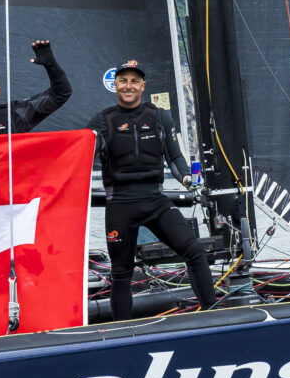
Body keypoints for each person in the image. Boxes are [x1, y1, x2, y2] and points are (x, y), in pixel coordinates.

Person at [87, 60, 217, 320]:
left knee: (194, 250)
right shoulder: (103, 120)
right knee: (122, 271)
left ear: (143, 86)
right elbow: (79, 157)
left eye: (134, 81)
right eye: (123, 81)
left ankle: (212, 315)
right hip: (120, 205)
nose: (128, 86)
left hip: (155, 201)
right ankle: (124, 333)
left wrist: (186, 179)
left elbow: (175, 156)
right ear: (115, 85)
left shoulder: (158, 116)